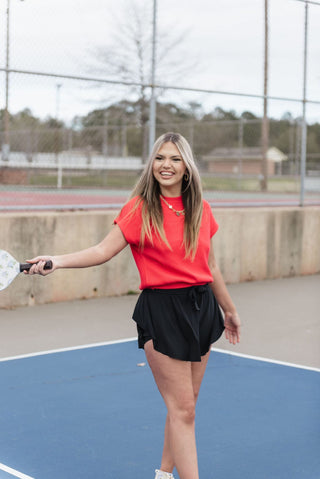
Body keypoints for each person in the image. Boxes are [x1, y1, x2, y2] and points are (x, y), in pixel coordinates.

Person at [26, 132, 241, 479]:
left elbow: (210, 265)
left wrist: (229, 310)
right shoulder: (139, 208)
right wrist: (56, 260)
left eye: (174, 159)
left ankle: (163, 474)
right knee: (183, 409)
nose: (165, 165)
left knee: (187, 407)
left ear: (187, 167)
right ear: (151, 164)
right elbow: (101, 251)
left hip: (202, 308)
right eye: (159, 158)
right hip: (162, 310)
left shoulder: (201, 209)